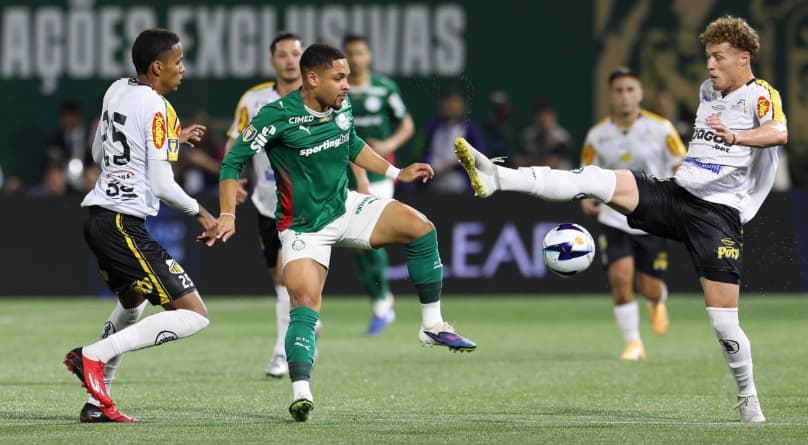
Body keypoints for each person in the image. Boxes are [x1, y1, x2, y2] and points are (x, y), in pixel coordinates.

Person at [454, 16, 785, 423]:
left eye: (718, 58)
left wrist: (736, 137)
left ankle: (748, 396)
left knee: (723, 323)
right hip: (676, 193)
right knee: (593, 179)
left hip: (716, 215)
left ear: (744, 57)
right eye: (708, 58)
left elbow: (778, 132)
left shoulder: (760, 94)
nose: (710, 66)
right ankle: (497, 178)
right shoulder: (707, 90)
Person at [218, 43, 477, 422]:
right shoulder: (276, 117)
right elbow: (232, 161)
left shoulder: (340, 106)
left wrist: (394, 172)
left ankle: (432, 325)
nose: (346, 84)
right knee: (304, 306)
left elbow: (352, 142)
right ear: (312, 78)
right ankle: (301, 392)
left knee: (422, 229)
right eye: (339, 78)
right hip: (305, 228)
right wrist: (227, 213)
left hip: (346, 206)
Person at [63, 28, 218, 423]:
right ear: (157, 67)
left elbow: (100, 150)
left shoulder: (116, 89)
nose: (183, 69)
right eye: (178, 62)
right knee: (194, 314)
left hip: (98, 220)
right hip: (122, 224)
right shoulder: (159, 107)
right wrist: (202, 212)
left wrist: (169, 139)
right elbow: (164, 185)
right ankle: (91, 357)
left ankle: (97, 403)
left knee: (132, 308)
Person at [579, 67, 686, 360]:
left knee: (649, 287)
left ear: (640, 94)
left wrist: (679, 197)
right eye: (618, 91)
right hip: (614, 216)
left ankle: (657, 300)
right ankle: (633, 343)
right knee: (621, 277)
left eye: (630, 90)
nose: (625, 96)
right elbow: (587, 171)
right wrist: (586, 198)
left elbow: (681, 163)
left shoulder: (662, 128)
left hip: (654, 215)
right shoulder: (597, 135)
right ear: (611, 96)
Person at [223, 32, 310, 378]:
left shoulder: (316, 96)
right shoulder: (254, 100)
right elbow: (235, 146)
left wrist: (360, 180)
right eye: (283, 54)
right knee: (280, 280)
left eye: (296, 53)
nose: (290, 60)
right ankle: (304, 319)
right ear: (272, 61)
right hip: (266, 203)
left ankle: (282, 352)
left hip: (306, 205)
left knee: (290, 278)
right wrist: (234, 180)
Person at [343, 34, 415, 335]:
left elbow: (407, 123)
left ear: (369, 55)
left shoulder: (384, 89)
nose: (356, 58)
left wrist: (387, 144)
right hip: (343, 174)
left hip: (377, 175)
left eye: (360, 52)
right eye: (350, 54)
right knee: (357, 245)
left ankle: (383, 303)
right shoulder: (339, 90)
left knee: (371, 235)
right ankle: (380, 300)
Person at [423, 90, 486, 193]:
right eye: (448, 102)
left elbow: (477, 157)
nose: (452, 106)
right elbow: (422, 152)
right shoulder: (432, 127)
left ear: (462, 106)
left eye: (456, 103)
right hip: (432, 179)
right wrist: (429, 165)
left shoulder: (470, 129)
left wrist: (453, 166)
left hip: (461, 181)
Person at [516, 102, 573, 169]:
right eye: (540, 114)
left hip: (559, 176)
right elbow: (519, 162)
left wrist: (529, 162)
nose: (543, 118)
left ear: (554, 116)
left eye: (547, 114)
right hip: (533, 177)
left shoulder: (561, 137)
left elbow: (553, 164)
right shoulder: (527, 135)